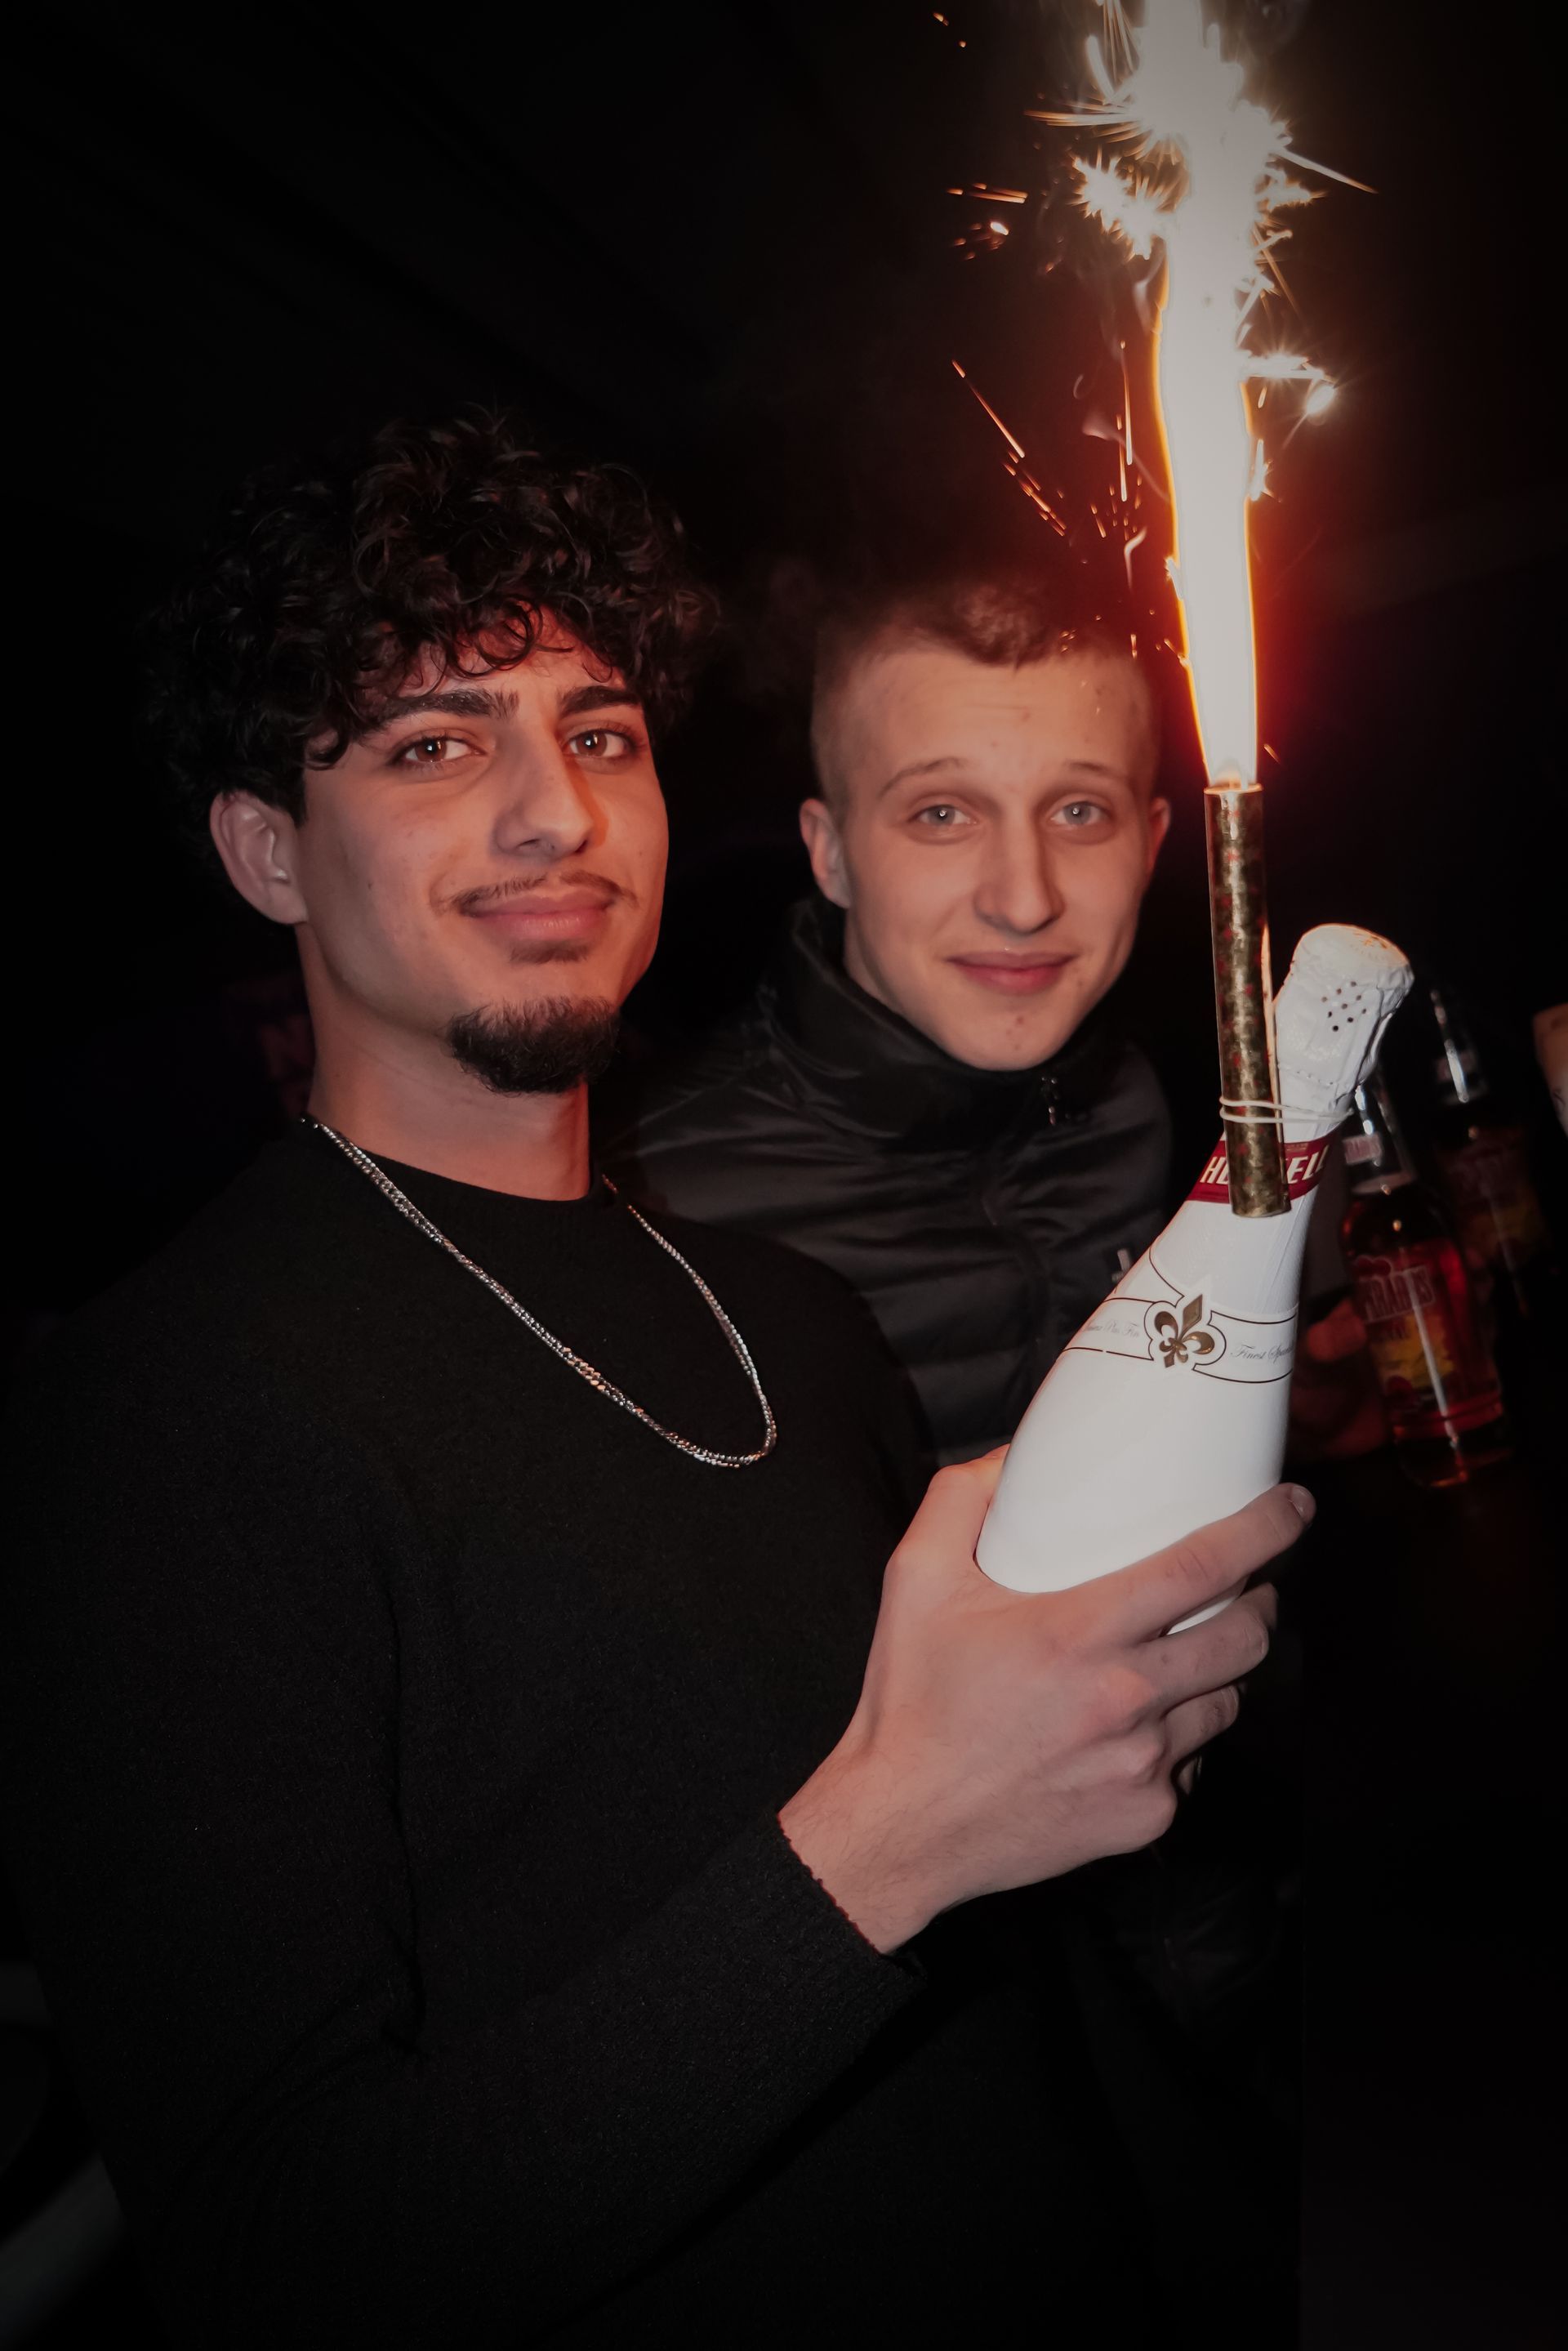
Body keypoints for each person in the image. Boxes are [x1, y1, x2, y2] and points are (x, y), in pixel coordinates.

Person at [0, 413, 1304, 2350]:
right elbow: (280, 2259)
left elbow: (1033, 1991)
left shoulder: (796, 1317)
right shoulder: (151, 1419)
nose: (555, 812)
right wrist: (897, 1830)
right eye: (436, 745)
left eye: (599, 732)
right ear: (269, 849)